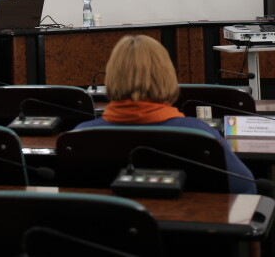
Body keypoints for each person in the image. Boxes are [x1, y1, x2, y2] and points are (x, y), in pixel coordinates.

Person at [74, 35, 256, 194]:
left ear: (111, 77)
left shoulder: (80, 135)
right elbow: (246, 187)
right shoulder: (200, 134)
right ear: (166, 75)